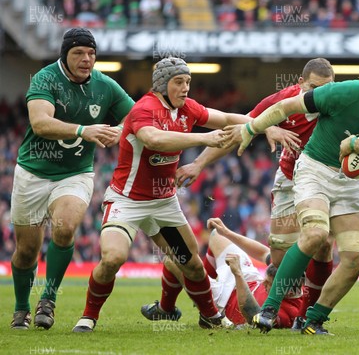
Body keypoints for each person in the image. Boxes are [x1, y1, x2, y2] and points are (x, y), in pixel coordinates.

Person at [224, 57, 359, 335]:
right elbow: (287, 106)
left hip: (350, 182)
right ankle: (270, 309)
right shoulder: (342, 92)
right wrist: (251, 128)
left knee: (356, 257)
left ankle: (313, 319)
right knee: (315, 234)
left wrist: (355, 144)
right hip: (314, 168)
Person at [154, 58, 336, 326]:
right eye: (313, 88)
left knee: (323, 243)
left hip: (325, 180)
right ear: (299, 84)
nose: (318, 96)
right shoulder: (281, 103)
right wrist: (198, 163)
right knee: (277, 259)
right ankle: (196, 299)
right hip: (289, 181)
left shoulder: (340, 102)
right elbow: (239, 132)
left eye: (325, 89)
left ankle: (308, 318)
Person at [71, 57, 247, 332]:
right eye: (179, 82)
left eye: (188, 81)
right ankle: (88, 316)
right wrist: (203, 138)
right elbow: (154, 139)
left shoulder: (188, 108)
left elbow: (224, 118)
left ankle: (210, 316)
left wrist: (261, 125)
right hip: (126, 201)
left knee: (193, 267)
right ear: (162, 85)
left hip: (164, 203)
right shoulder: (144, 108)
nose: (186, 87)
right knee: (113, 258)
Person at [10, 28, 134, 330]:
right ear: (65, 55)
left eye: (91, 53)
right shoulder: (45, 78)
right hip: (32, 173)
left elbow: (137, 118)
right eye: (79, 53)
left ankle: (48, 301)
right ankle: (22, 307)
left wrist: (119, 131)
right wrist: (83, 130)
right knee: (27, 251)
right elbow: (40, 123)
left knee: (65, 227)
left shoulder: (105, 86)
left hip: (75, 173)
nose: (86, 59)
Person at [141, 218, 305, 328]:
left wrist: (238, 274)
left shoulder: (287, 314)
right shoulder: (290, 274)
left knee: (173, 260)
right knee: (216, 235)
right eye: (267, 280)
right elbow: (264, 253)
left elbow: (252, 317)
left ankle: (170, 309)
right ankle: (203, 289)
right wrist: (227, 232)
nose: (265, 283)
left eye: (268, 284)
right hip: (248, 278)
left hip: (227, 298)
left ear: (288, 290)